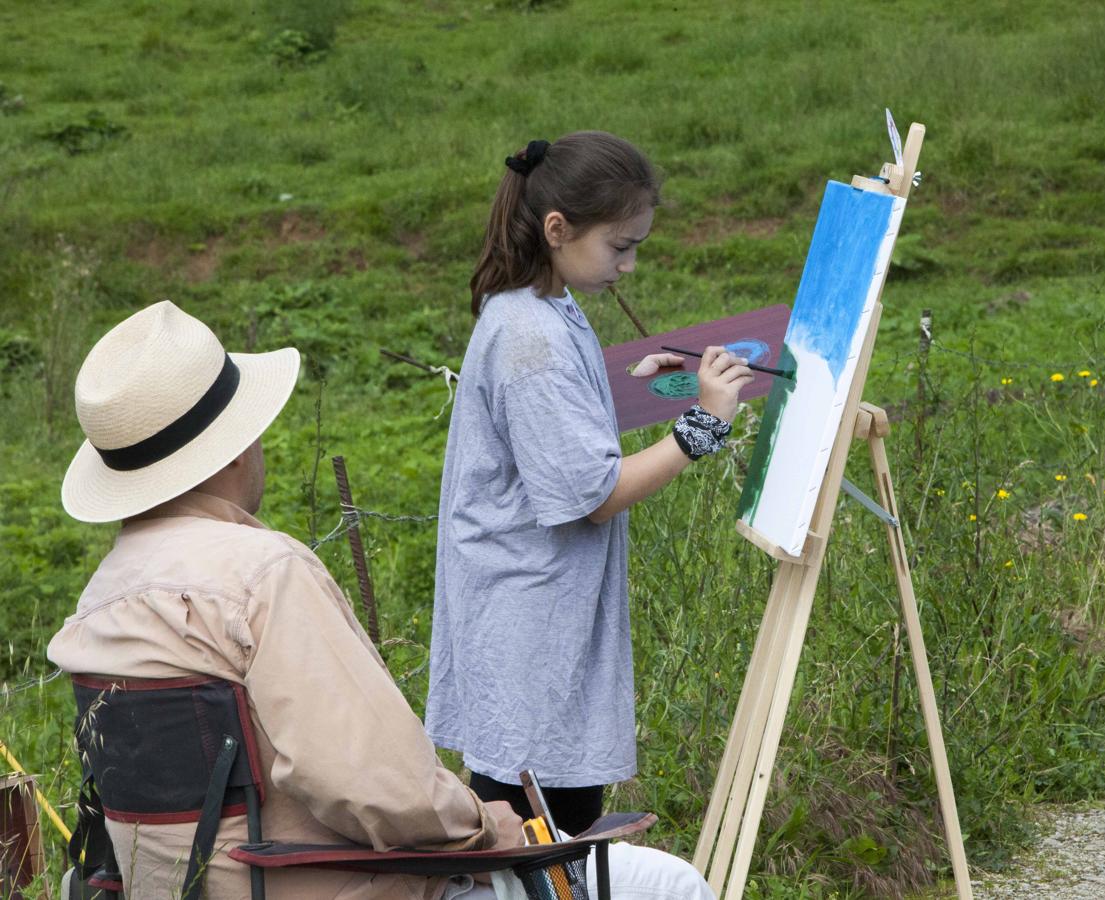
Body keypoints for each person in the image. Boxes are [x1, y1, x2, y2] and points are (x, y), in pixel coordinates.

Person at [48, 300, 712, 900]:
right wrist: (491, 825)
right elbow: (380, 788)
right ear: (233, 452)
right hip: (314, 885)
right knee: (668, 884)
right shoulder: (260, 573)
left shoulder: (101, 595)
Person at [426, 132, 754, 834]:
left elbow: (552, 422)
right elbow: (594, 494)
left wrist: (626, 376)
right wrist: (703, 427)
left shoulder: (534, 304)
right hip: (531, 632)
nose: (630, 266)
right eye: (620, 246)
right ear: (557, 229)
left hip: (532, 618)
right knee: (545, 840)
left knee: (536, 830)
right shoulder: (531, 342)